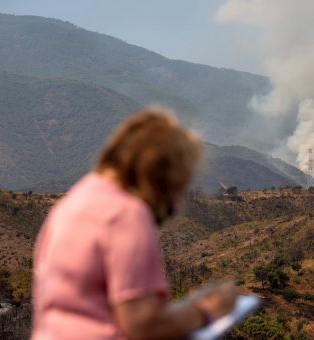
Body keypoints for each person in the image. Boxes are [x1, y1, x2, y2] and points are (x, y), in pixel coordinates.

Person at [32, 107, 237, 339]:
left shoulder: (73, 200)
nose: (177, 204)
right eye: (178, 187)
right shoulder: (126, 214)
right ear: (161, 178)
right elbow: (143, 325)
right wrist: (209, 311)